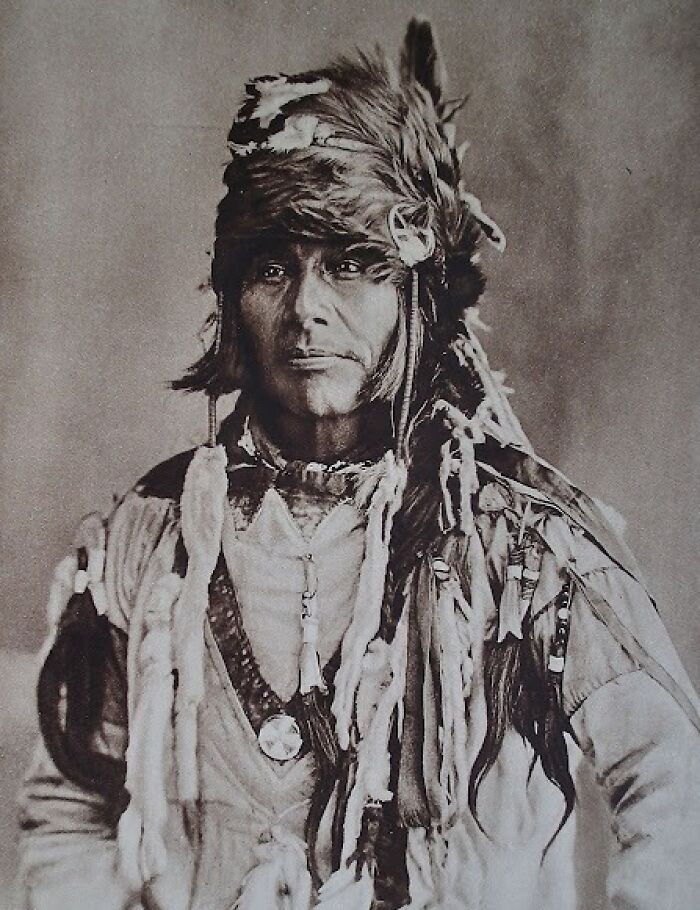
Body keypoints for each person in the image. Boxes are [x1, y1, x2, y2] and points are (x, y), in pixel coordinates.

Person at [18, 18, 700, 910]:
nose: (307, 307)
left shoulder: (521, 544)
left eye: (351, 264)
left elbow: (676, 790)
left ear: (416, 295)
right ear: (232, 297)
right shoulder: (150, 544)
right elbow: (68, 811)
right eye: (272, 268)